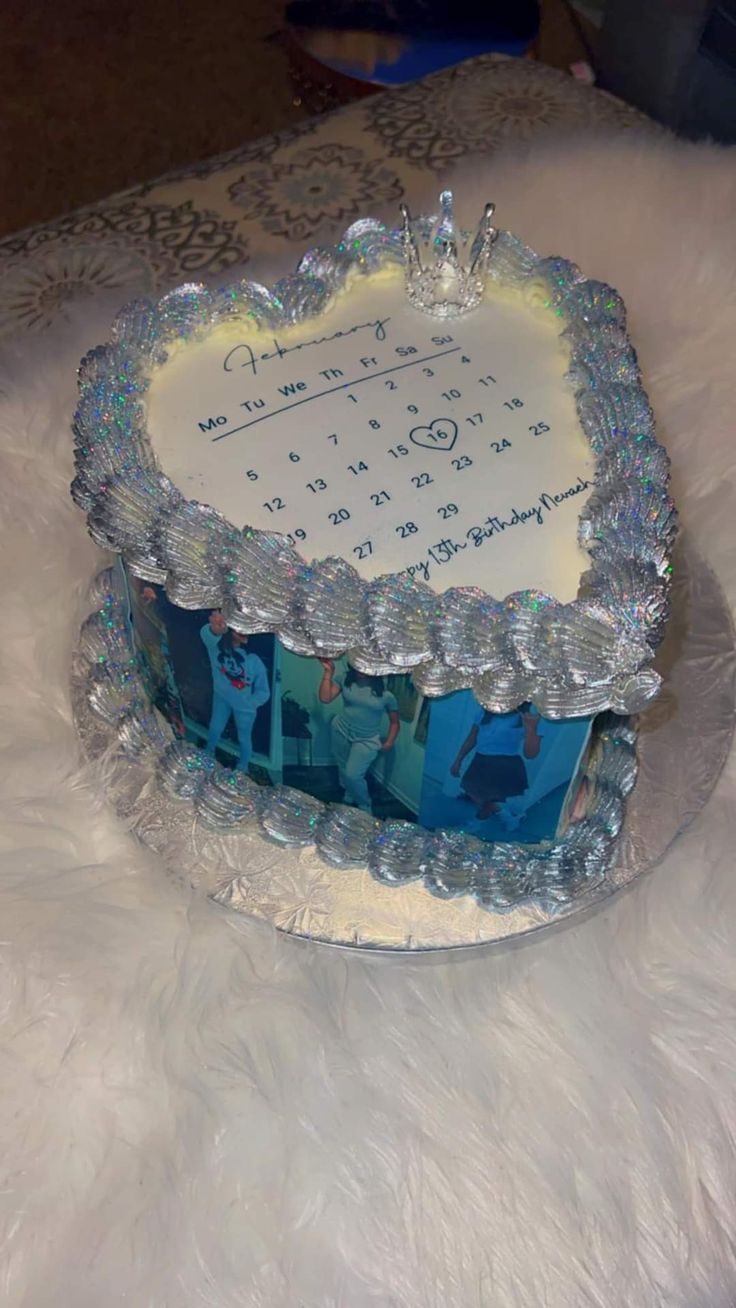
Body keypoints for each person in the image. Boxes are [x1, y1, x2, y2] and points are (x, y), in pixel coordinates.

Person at [318, 660, 400, 812]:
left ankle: (365, 804)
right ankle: (350, 793)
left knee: (353, 774)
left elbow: (395, 722)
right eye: (358, 665)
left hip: (366, 740)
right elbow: (325, 698)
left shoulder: (387, 695)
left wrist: (389, 741)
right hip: (340, 730)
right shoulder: (345, 679)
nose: (361, 670)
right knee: (343, 768)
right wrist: (328, 673)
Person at [200, 611, 270, 772]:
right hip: (221, 697)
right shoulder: (216, 649)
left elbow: (263, 691)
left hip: (244, 707)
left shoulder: (254, 661)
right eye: (239, 628)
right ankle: (208, 752)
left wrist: (250, 703)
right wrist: (214, 630)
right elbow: (207, 636)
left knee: (244, 737)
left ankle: (243, 767)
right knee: (215, 727)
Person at [450, 703, 541, 823]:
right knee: (473, 793)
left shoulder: (526, 717)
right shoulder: (484, 713)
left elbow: (530, 754)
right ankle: (508, 818)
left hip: (504, 764)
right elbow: (472, 738)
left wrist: (531, 729)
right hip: (480, 760)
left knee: (486, 798)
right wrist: (458, 760)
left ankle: (478, 823)